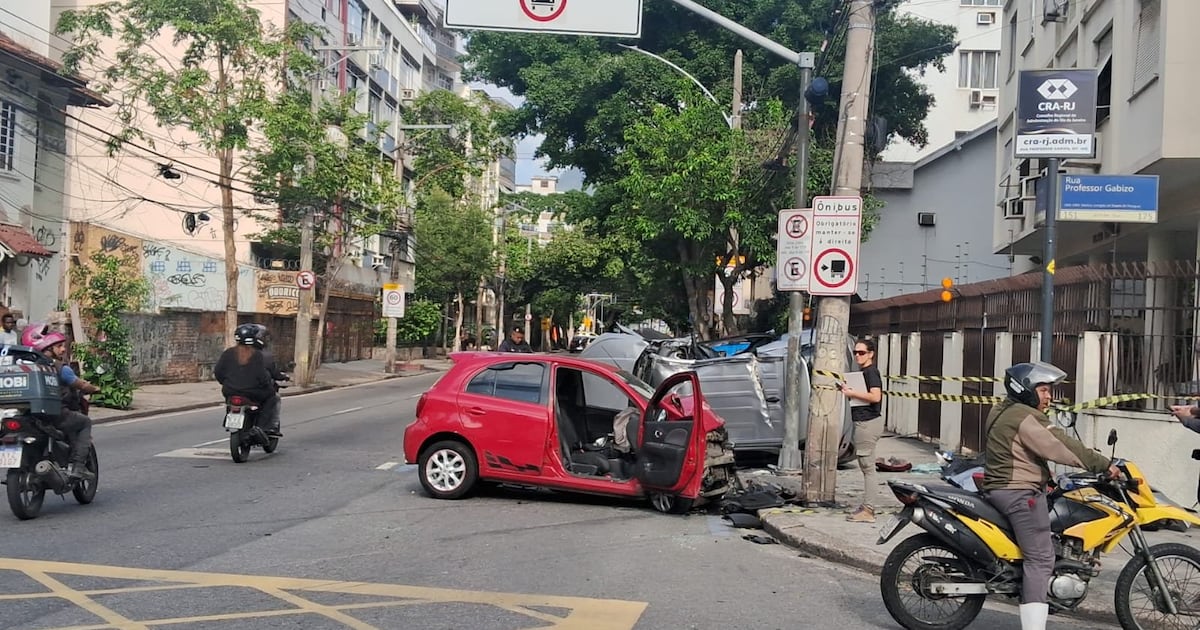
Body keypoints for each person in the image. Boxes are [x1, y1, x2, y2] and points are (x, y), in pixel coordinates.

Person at [981, 361, 1118, 630]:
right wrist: (1103, 465)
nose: (1049, 397)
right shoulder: (1025, 416)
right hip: (1018, 492)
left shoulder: (1002, 409)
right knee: (1041, 558)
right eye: (1043, 390)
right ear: (1025, 389)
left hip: (1003, 487)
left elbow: (1024, 452)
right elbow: (1060, 445)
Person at [21, 323, 98, 480]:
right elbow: (81, 385)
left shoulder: (19, 366)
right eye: (59, 346)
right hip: (54, 415)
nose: (63, 349)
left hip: (26, 415)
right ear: (47, 348)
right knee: (85, 423)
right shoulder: (59, 367)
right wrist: (95, 388)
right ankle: (78, 467)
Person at [841, 337, 884, 523]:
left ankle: (869, 509)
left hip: (867, 423)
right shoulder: (864, 372)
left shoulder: (871, 372)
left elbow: (875, 397)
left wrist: (852, 393)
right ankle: (867, 506)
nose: (858, 356)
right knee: (866, 466)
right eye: (856, 352)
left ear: (871, 354)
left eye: (862, 352)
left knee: (868, 467)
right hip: (863, 422)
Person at [214, 324, 281, 437]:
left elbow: (218, 372)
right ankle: (263, 427)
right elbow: (262, 376)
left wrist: (225, 383)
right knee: (272, 397)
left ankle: (230, 415)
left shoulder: (228, 353)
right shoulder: (257, 355)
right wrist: (267, 386)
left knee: (229, 400)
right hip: (252, 392)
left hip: (230, 390)